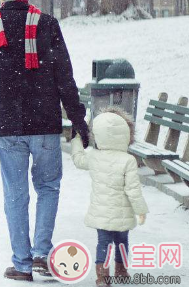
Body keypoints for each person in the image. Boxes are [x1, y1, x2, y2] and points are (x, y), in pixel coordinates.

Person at [0, 0, 89, 281]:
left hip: (8, 126)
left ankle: (22, 263)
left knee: (15, 193)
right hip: (46, 123)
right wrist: (77, 118)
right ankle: (41, 256)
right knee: (48, 188)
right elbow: (64, 75)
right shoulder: (46, 24)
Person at [70, 108, 148, 287]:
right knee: (122, 242)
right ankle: (121, 271)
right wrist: (141, 210)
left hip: (101, 211)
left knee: (103, 243)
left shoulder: (95, 157)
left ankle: (103, 276)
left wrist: (76, 141)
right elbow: (133, 190)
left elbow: (78, 160)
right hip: (123, 212)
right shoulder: (128, 160)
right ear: (126, 135)